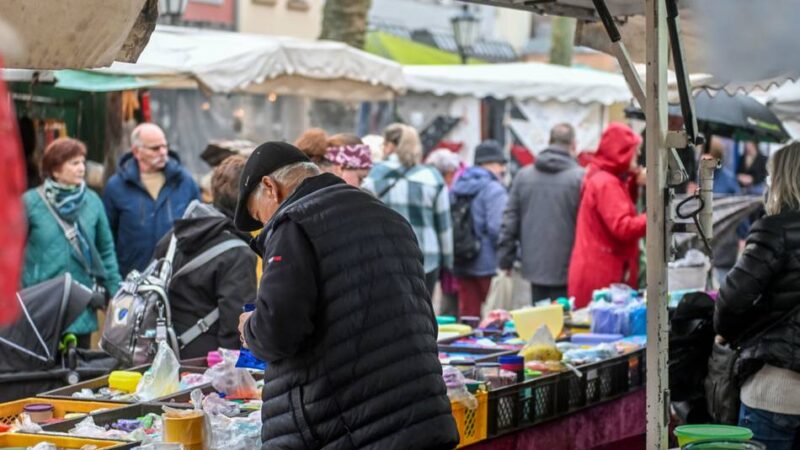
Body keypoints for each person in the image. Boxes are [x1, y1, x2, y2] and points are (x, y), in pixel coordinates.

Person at [234, 142, 459, 450]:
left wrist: (250, 327)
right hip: (420, 417)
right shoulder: (390, 218)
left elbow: (278, 331)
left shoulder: (294, 224)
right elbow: (423, 321)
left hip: (352, 429)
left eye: (260, 216)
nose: (264, 226)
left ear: (271, 188)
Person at [715, 142, 800, 450]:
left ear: (781, 179)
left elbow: (732, 300)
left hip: (777, 392)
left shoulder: (773, 230)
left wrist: (728, 333)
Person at [153, 155, 257, 359]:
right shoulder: (239, 253)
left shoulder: (175, 236)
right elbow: (238, 328)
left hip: (164, 355)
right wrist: (246, 377)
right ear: (251, 199)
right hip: (206, 369)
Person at [22, 138, 122, 348]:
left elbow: (106, 251)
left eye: (82, 162)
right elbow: (12, 252)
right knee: (43, 373)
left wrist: (115, 292)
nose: (81, 168)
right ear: (55, 170)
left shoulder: (93, 201)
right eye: (74, 163)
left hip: (81, 302)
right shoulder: (30, 202)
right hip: (42, 304)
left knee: (80, 371)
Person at [498, 124, 585, 304]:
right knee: (565, 322)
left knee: (539, 321)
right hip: (569, 266)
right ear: (573, 145)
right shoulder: (580, 178)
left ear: (549, 142)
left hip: (533, 266)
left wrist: (505, 260)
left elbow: (509, 220)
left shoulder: (524, 176)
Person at [363, 124, 453, 295]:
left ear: (390, 146)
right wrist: (447, 262)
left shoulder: (372, 175)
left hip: (384, 257)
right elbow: (444, 226)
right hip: (427, 258)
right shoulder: (433, 177)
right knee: (424, 315)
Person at [103, 123, 200, 278]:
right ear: (136, 151)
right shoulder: (116, 187)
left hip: (177, 279)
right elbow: (106, 241)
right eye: (155, 148)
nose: (163, 152)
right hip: (132, 280)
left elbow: (199, 230)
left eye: (164, 146)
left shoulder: (185, 183)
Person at [568, 123, 646, 309]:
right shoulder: (607, 184)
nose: (638, 157)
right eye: (635, 152)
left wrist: (634, 183)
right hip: (603, 276)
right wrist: (656, 217)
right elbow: (623, 227)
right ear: (622, 153)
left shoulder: (604, 177)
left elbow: (619, 208)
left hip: (599, 271)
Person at [451, 140, 509, 317]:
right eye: (500, 164)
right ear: (490, 164)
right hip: (487, 263)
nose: (503, 170)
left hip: (461, 260)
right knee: (494, 320)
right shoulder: (494, 189)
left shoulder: (457, 186)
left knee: (470, 317)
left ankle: (467, 346)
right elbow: (496, 228)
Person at [426, 148, 464, 317]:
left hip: (445, 255)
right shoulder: (442, 187)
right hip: (443, 254)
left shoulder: (449, 189)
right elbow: (444, 227)